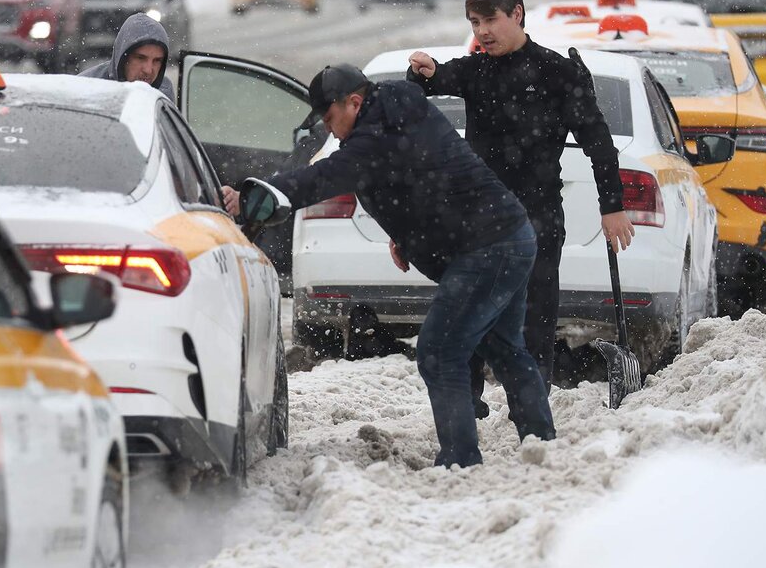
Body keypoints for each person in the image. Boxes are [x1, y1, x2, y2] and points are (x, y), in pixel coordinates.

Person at [224, 64, 554, 468]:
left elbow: (321, 178)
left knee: (440, 351)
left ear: (354, 102)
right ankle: (542, 444)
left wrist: (253, 196)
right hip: (508, 236)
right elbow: (422, 179)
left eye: (330, 117)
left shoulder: (373, 139)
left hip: (487, 249)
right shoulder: (397, 113)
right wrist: (408, 236)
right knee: (504, 348)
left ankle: (460, 461)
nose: (329, 129)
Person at [406, 0, 633, 413]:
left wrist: (612, 206)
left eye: (490, 20)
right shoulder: (475, 70)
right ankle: (466, 399)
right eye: (474, 23)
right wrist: (421, 71)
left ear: (517, 14)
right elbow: (429, 83)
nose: (482, 32)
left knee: (534, 315)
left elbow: (598, 143)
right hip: (479, 219)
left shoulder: (557, 72)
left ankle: (530, 404)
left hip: (537, 216)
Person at [79, 12, 175, 99]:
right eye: (140, 58)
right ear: (123, 58)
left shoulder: (163, 92)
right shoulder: (85, 88)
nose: (148, 70)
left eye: (157, 60)